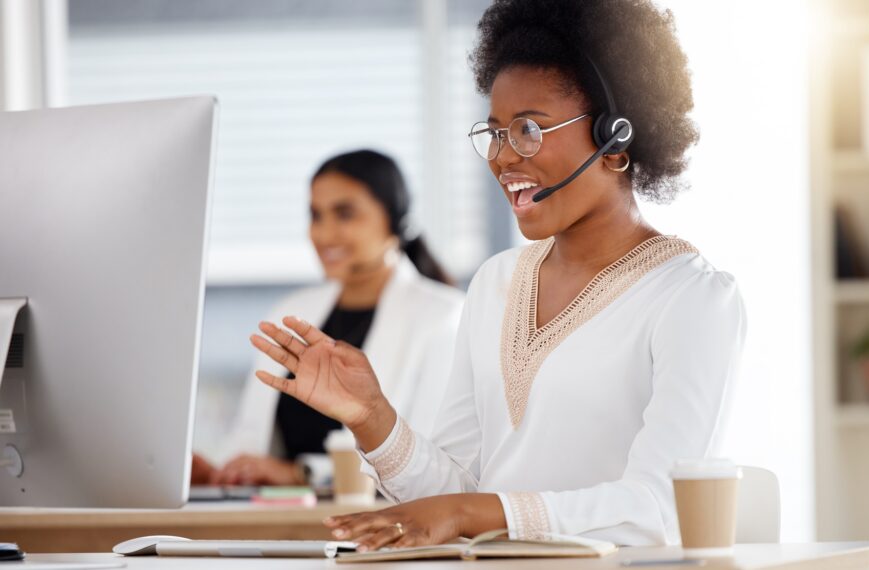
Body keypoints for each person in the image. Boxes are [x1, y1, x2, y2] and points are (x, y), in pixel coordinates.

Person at [250, 0, 745, 549]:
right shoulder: (495, 282)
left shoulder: (692, 298)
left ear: (615, 137)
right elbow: (458, 491)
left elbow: (659, 508)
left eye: (529, 129)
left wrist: (469, 511)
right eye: (495, 133)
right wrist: (372, 417)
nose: (503, 158)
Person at [192, 150, 465, 486]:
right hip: (275, 516)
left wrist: (300, 473)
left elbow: (427, 459)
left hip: (380, 520)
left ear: (395, 219)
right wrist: (218, 472)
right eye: (316, 215)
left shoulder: (444, 316)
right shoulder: (292, 311)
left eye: (345, 214)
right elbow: (252, 438)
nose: (323, 234)